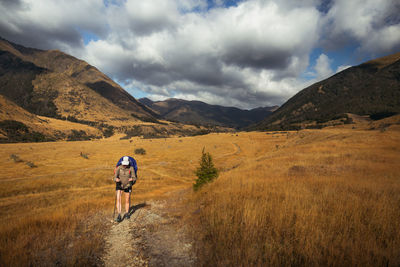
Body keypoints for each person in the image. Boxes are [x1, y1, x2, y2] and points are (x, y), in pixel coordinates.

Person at [114, 156, 137, 222]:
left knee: (127, 199)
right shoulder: (118, 168)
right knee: (118, 199)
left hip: (128, 185)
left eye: (126, 164)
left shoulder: (131, 168)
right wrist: (116, 179)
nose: (124, 165)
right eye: (124, 164)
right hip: (119, 185)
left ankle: (127, 213)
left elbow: (134, 177)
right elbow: (114, 177)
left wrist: (132, 179)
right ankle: (119, 215)